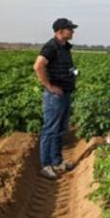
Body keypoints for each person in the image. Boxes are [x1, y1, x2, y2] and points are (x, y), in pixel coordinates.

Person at [33, 18, 79, 180]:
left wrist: (73, 74)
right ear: (60, 31)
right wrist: (49, 86)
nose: (73, 32)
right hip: (54, 96)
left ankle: (57, 161)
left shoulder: (65, 47)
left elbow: (68, 68)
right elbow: (38, 66)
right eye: (70, 29)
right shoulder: (51, 46)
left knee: (60, 130)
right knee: (50, 130)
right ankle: (46, 166)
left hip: (65, 93)